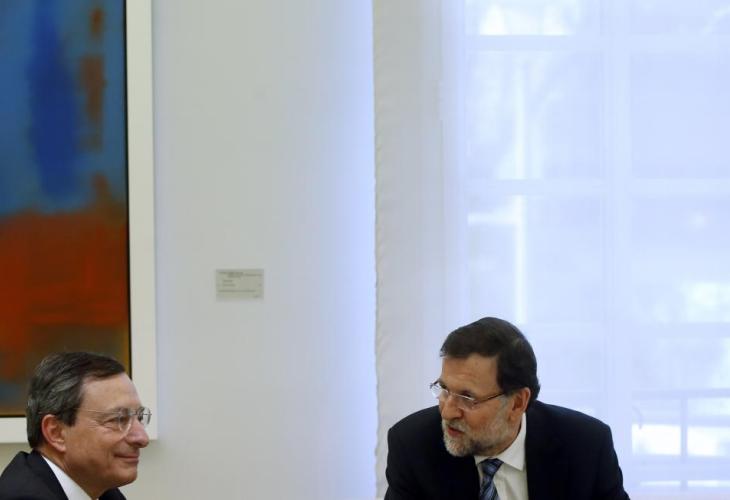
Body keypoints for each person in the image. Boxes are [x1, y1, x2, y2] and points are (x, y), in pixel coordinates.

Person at [384, 317, 629, 500]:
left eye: (467, 398)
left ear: (517, 403)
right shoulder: (413, 445)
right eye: (444, 389)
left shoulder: (586, 446)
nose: (447, 412)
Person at [0, 352, 151, 500]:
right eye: (118, 419)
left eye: (139, 417)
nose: (142, 438)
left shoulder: (104, 492)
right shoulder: (21, 496)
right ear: (56, 432)